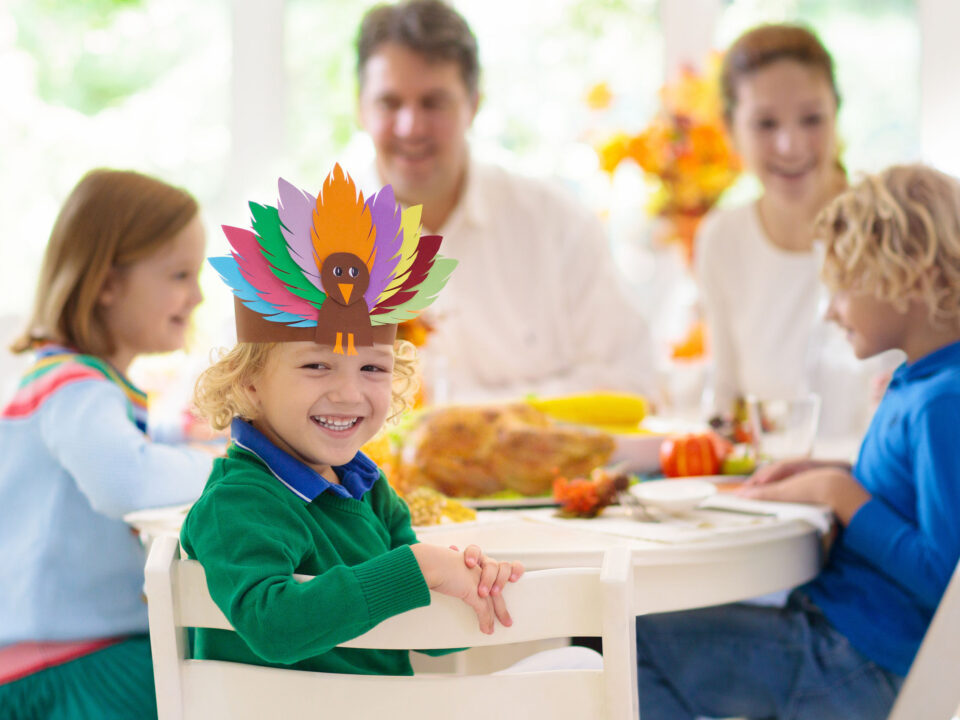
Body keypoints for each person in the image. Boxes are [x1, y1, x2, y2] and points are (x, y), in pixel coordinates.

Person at [181, 167, 599, 676]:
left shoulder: (370, 490)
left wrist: (466, 585)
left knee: (574, 665)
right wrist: (420, 568)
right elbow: (271, 623)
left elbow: (428, 635)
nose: (349, 392)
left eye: (373, 368)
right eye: (317, 365)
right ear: (249, 382)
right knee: (576, 669)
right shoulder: (239, 501)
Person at [635, 164, 960, 720]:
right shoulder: (921, 381)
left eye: (842, 287)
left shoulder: (941, 401)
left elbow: (945, 575)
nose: (831, 311)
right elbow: (904, 496)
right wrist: (826, 472)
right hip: (844, 644)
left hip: (855, 662)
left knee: (628, 640)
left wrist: (838, 492)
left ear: (916, 281)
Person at [354, 0, 659, 403]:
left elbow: (633, 382)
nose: (411, 126)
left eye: (433, 102)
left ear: (474, 104)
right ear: (360, 107)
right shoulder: (309, 242)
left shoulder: (557, 224)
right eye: (389, 103)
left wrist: (480, 423)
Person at [0, 169, 214, 718]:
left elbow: (139, 444)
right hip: (62, 665)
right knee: (229, 679)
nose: (196, 295)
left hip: (66, 656)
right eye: (179, 274)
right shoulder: (72, 386)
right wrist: (241, 470)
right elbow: (128, 480)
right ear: (107, 284)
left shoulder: (76, 386)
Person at [696, 23, 892, 436]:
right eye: (766, 124)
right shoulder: (721, 238)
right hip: (771, 489)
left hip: (883, 487)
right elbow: (725, 395)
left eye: (811, 119)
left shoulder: (892, 227)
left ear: (837, 114)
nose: (791, 144)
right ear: (731, 130)